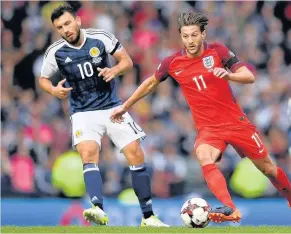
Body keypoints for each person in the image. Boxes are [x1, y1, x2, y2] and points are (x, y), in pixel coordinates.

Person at [111, 12, 291, 223]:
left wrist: (229, 75)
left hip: (236, 124)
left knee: (268, 169)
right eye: (185, 36)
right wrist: (125, 106)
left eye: (194, 35)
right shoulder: (172, 62)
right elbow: (150, 83)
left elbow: (249, 76)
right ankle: (231, 209)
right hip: (209, 129)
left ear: (203, 34)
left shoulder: (218, 51)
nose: (190, 40)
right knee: (204, 156)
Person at [39, 4, 168, 227]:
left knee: (135, 153)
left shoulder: (101, 38)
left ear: (78, 20)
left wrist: (114, 70)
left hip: (112, 107)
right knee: (88, 153)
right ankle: (97, 207)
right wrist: (52, 90)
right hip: (82, 112)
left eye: (68, 23)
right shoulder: (56, 52)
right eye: (60, 27)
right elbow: (43, 78)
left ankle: (148, 216)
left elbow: (126, 61)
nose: (65, 29)